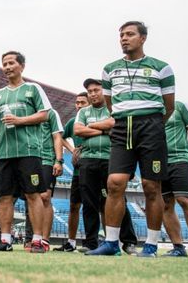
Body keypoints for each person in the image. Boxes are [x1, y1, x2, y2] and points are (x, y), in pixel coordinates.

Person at [87, 21, 174, 257]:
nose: (124, 39)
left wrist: (151, 122)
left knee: (151, 186)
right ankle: (112, 243)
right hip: (122, 125)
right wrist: (127, 117)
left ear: (143, 38)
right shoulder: (109, 69)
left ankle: (151, 245)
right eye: (121, 35)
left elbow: (169, 106)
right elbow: (109, 103)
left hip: (152, 126)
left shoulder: (162, 68)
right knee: (114, 183)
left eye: (129, 34)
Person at [0, 51, 51, 254]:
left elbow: (44, 115)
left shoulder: (33, 89)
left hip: (29, 151)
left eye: (11, 63)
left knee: (33, 195)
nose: (7, 67)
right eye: (4, 64)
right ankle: (5, 240)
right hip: (4, 153)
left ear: (22, 66)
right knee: (5, 197)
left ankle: (37, 240)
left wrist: (19, 120)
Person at [75, 79, 137, 255]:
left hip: (112, 158)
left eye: (96, 90)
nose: (93, 94)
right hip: (87, 160)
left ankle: (129, 242)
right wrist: (104, 130)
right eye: (90, 91)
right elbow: (78, 130)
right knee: (89, 203)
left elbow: (114, 124)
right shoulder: (84, 111)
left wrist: (92, 126)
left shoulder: (114, 108)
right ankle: (90, 243)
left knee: (118, 199)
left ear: (104, 91)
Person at [161, 101, 188, 258]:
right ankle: (178, 247)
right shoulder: (149, 108)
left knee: (184, 200)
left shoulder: (181, 106)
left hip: (180, 159)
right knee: (166, 204)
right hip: (158, 162)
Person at [53, 92, 88, 252]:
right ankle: (71, 242)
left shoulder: (96, 120)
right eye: (77, 102)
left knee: (96, 206)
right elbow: (60, 137)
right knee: (74, 206)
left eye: (82, 102)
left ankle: (98, 241)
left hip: (96, 167)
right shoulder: (74, 122)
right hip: (77, 171)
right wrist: (72, 149)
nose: (79, 105)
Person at [36, 108, 63, 250]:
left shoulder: (51, 113)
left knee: (45, 197)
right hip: (30, 158)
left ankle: (45, 240)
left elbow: (57, 136)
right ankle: (34, 238)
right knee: (32, 197)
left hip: (47, 159)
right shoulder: (26, 111)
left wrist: (59, 160)